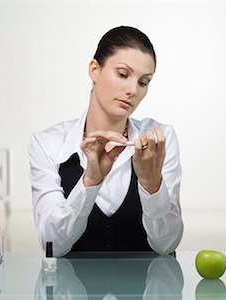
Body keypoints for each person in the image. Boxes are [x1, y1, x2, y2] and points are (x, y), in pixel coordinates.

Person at [29, 26, 183, 257]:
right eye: (122, 74)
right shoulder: (48, 144)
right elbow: (53, 246)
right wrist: (89, 182)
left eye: (143, 82)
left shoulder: (159, 139)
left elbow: (166, 245)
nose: (132, 90)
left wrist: (152, 185)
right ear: (94, 70)